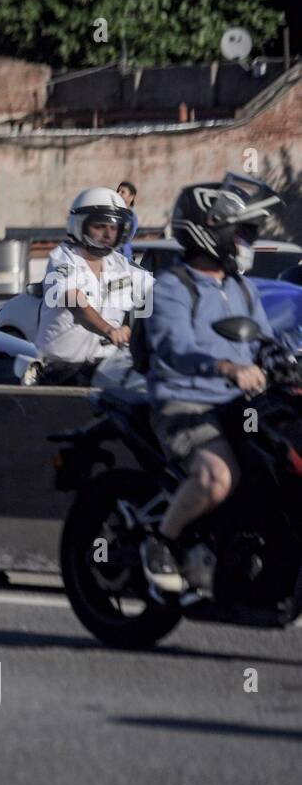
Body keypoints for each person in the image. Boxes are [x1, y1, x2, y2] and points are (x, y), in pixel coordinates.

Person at [139, 173, 283, 594]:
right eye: (241, 233)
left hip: (242, 405)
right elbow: (175, 347)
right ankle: (161, 542)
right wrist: (226, 367)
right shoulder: (171, 287)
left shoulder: (241, 287)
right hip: (186, 405)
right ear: (211, 233)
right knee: (218, 476)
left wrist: (280, 358)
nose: (247, 243)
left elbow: (266, 341)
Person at [34, 187, 148, 386]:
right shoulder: (63, 259)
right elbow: (75, 302)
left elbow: (157, 292)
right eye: (99, 226)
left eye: (113, 228)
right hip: (61, 372)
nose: (107, 234)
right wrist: (109, 330)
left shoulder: (121, 265)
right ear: (80, 225)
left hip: (107, 369)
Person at [116, 180, 138, 260]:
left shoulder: (130, 217)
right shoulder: (113, 212)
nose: (118, 194)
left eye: (123, 192)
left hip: (123, 258)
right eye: (118, 191)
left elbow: (124, 238)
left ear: (131, 197)